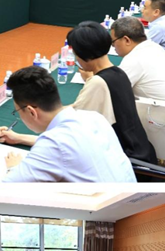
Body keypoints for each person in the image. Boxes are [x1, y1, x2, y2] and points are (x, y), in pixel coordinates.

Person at [0, 66, 137, 182]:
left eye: (17, 111)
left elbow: (2, 190)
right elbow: (69, 147)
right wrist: (19, 138)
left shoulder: (53, 145)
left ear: (31, 112)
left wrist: (13, 168)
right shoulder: (93, 117)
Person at [66, 21, 157, 164]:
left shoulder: (98, 82)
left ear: (84, 55)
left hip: (127, 159)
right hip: (142, 150)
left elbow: (73, 128)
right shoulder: (119, 72)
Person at [110, 17, 165, 107]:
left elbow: (112, 91)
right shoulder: (154, 47)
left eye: (113, 42)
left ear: (127, 40)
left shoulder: (135, 59)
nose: (113, 46)